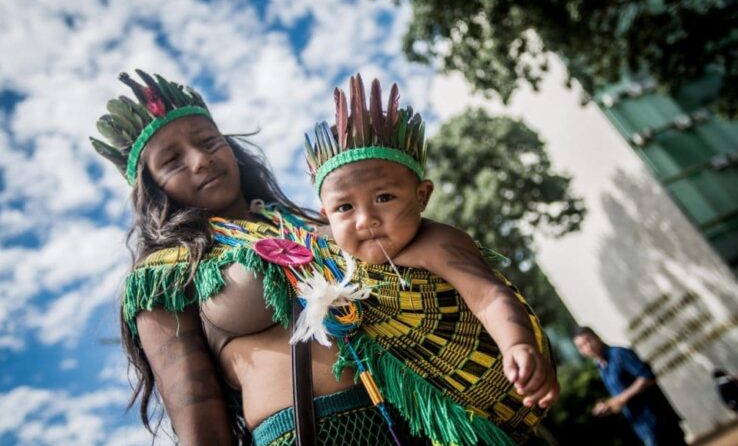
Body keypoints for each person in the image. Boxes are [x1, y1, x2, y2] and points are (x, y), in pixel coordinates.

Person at [90, 69, 552, 446]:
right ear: (151, 189)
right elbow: (196, 414)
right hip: (311, 434)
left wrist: (517, 338)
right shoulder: (162, 277)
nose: (200, 160)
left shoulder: (326, 221)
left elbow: (448, 259)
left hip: (418, 417)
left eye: (209, 141)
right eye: (172, 160)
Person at [303, 74, 559, 415]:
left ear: (422, 195)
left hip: (494, 400)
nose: (365, 220)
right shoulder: (330, 252)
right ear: (327, 217)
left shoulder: (437, 242)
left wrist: (518, 344)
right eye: (344, 208)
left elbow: (488, 296)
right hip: (425, 415)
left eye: (384, 197)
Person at [572, 326, 687, 446]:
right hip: (642, 427)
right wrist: (609, 406)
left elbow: (647, 377)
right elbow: (621, 398)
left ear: (597, 337)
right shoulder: (601, 367)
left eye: (588, 340)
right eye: (582, 346)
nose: (588, 347)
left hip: (658, 420)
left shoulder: (619, 354)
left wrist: (619, 399)